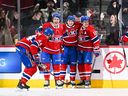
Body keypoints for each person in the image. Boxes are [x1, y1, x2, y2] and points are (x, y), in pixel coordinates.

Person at [40, 12, 64, 88]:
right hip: (46, 49)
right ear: (52, 19)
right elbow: (39, 33)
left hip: (56, 50)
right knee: (46, 65)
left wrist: (62, 46)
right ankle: (46, 80)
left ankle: (57, 80)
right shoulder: (46, 25)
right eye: (55, 19)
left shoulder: (62, 27)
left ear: (59, 20)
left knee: (57, 66)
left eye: (57, 19)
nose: (56, 20)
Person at [77, 16, 100, 88]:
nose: (86, 23)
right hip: (80, 49)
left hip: (88, 50)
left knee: (87, 64)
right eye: (84, 22)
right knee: (80, 64)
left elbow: (96, 40)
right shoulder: (80, 28)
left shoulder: (90, 29)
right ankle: (82, 80)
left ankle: (87, 80)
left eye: (87, 22)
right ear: (82, 22)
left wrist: (96, 49)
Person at [60, 15, 80, 88]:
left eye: (72, 21)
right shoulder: (63, 26)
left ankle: (72, 80)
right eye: (69, 21)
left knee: (73, 65)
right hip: (65, 48)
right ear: (67, 21)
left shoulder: (77, 25)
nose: (70, 22)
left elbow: (84, 24)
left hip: (73, 48)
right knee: (63, 64)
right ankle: (61, 80)